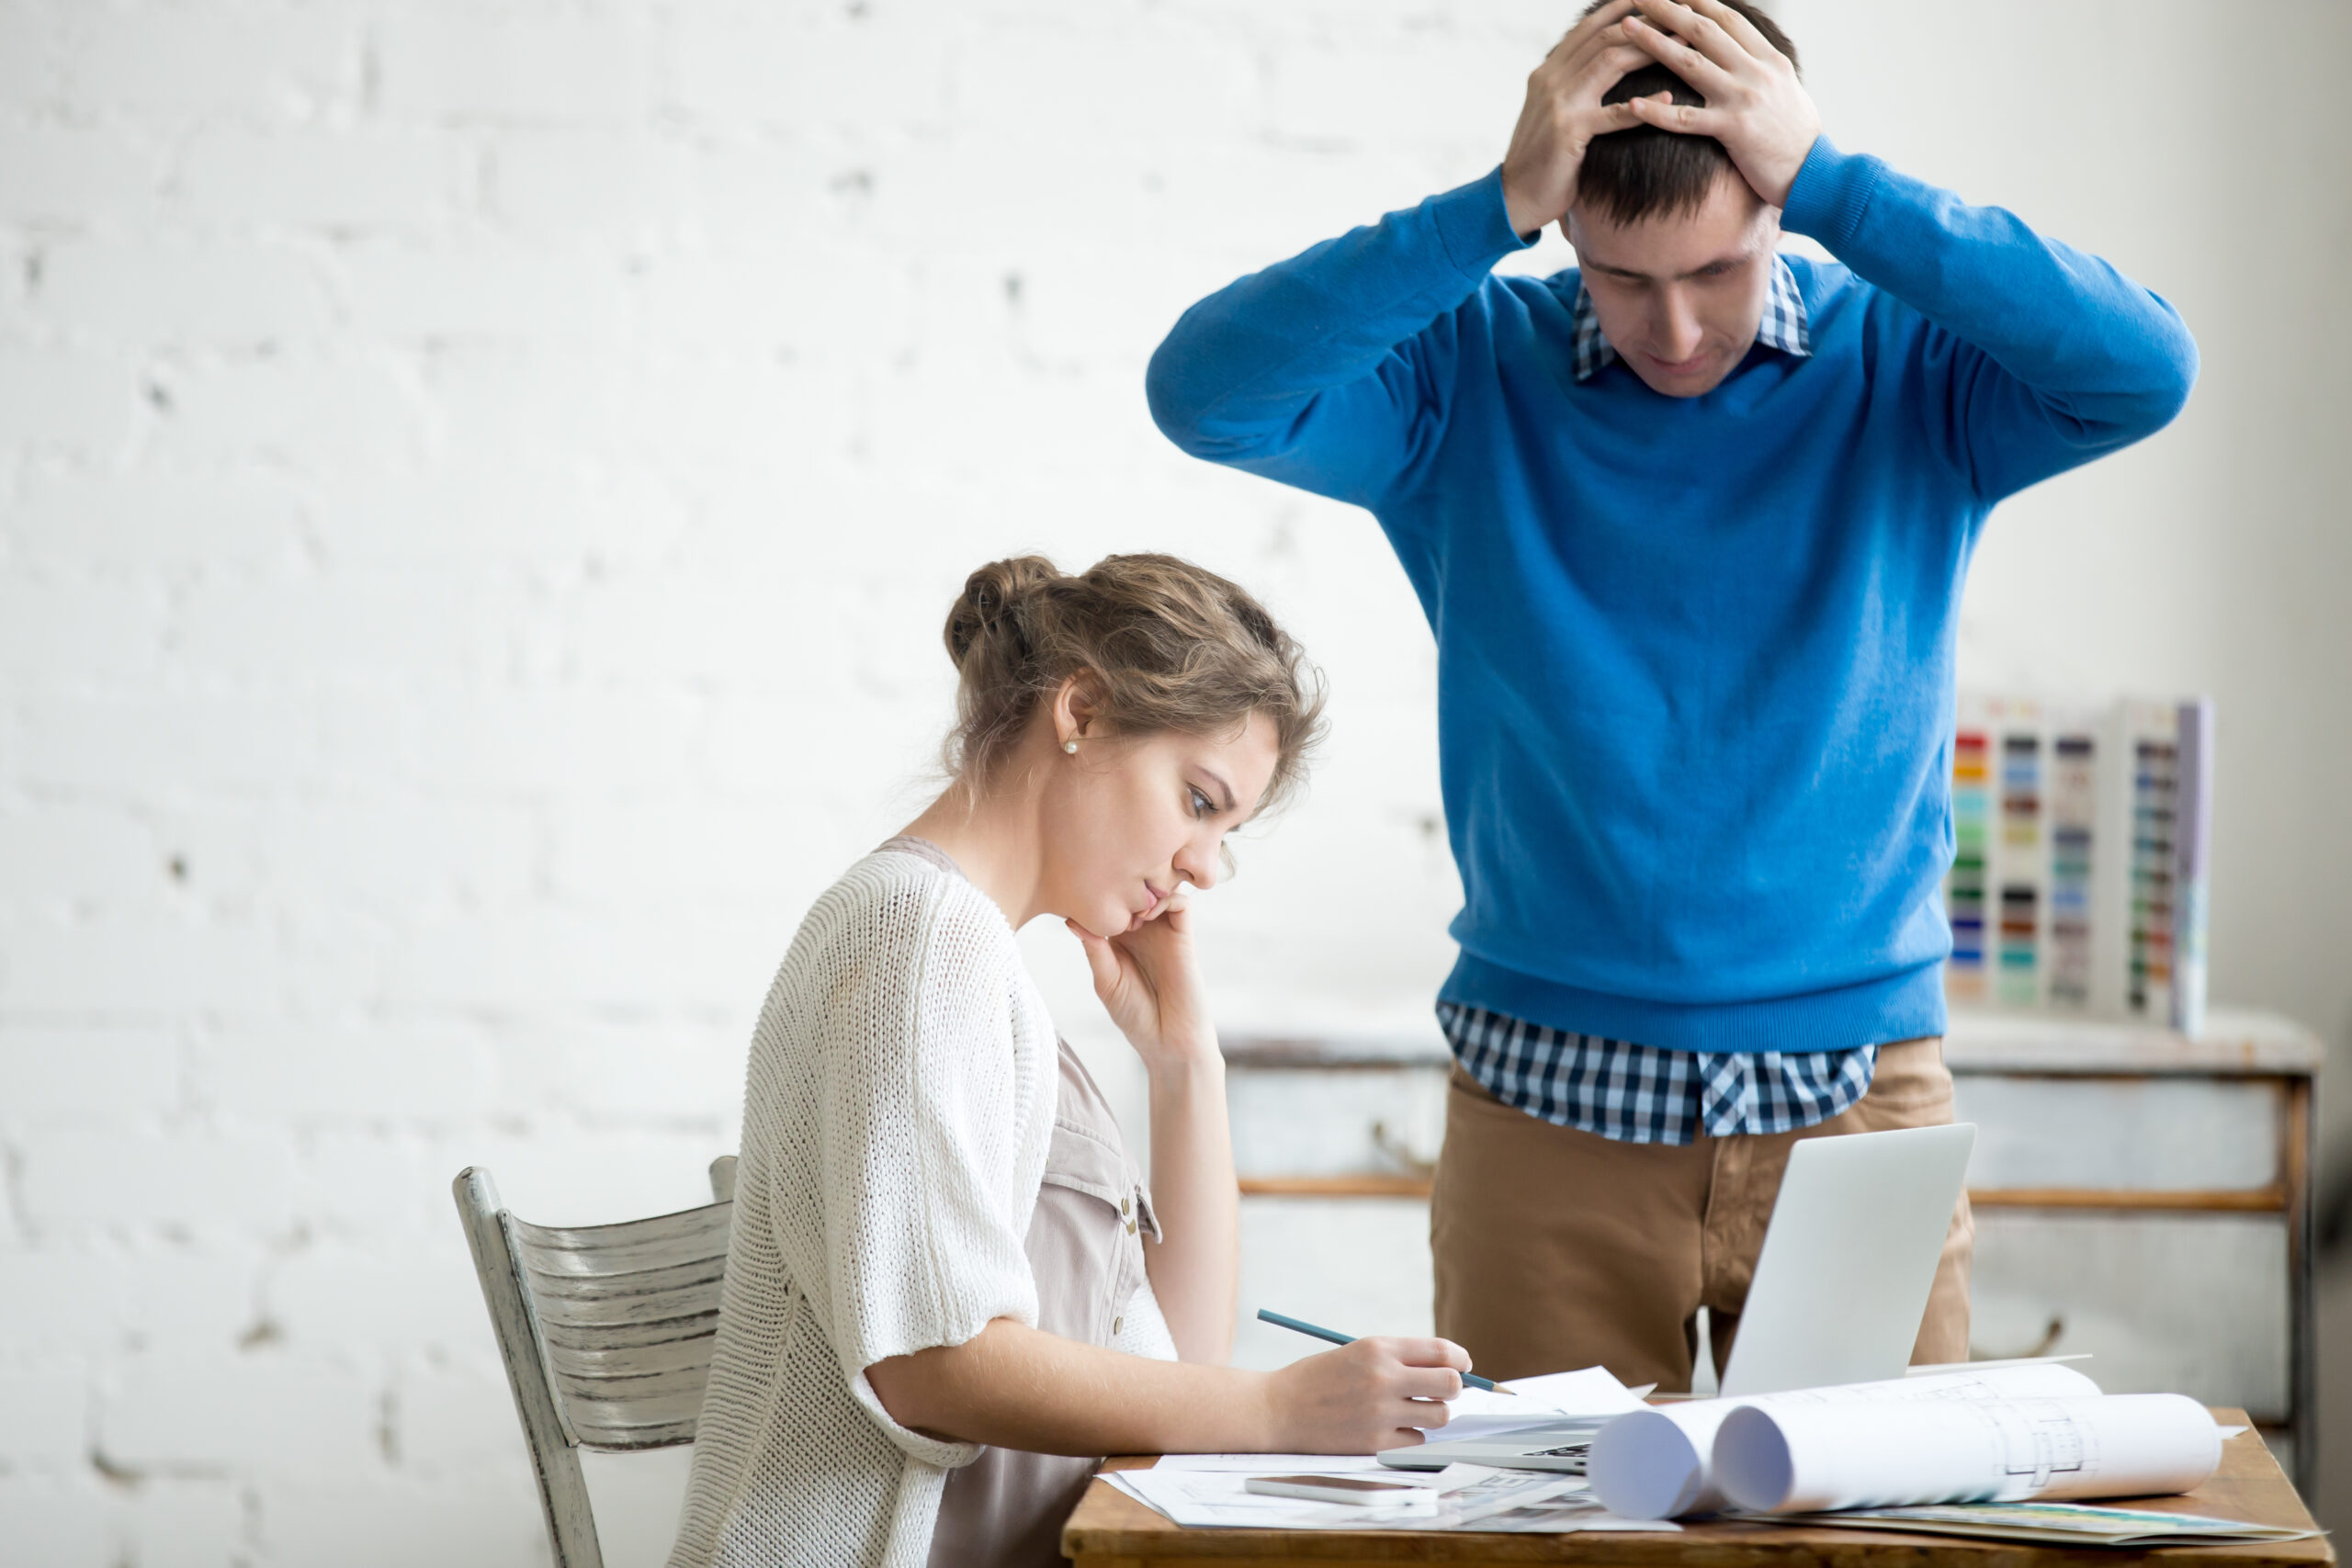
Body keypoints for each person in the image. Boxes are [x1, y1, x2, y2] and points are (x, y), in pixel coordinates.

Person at [1145, 0, 2197, 1393]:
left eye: (1722, 264)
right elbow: (1205, 393)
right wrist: (1491, 206)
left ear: (1779, 210)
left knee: (1881, 1542)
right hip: (1543, 1109)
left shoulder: (1913, 375)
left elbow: (2145, 368)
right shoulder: (1464, 379)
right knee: (1550, 1544)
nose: (1679, 328)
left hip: (1858, 1105)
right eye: (1623, 277)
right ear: (1568, 230)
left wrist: (1836, 181)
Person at [666, 554, 1477, 1568]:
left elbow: (1174, 1368)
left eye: (1227, 832)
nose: (1205, 868)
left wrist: (1183, 1063)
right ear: (1082, 712)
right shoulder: (921, 942)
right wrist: (1277, 1406)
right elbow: (932, 1365)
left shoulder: (967, 960)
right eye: (1197, 800)